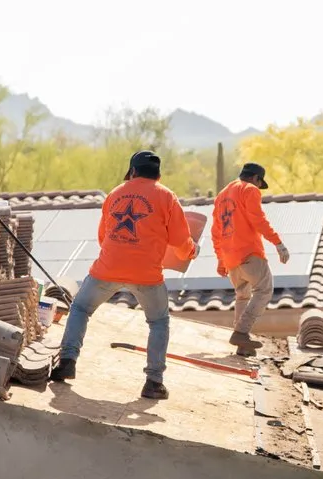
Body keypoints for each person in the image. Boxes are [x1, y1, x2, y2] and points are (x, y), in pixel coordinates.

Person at [51, 150, 198, 400]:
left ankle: (67, 361)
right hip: (147, 274)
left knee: (80, 308)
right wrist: (192, 251)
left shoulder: (115, 194)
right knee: (158, 322)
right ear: (158, 175)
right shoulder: (166, 197)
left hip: (107, 268)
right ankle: (154, 382)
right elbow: (181, 242)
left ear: (132, 171)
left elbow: (103, 237)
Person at [211, 163, 289, 355]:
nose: (258, 187)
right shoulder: (250, 189)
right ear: (256, 178)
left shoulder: (222, 194)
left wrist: (221, 259)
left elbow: (216, 231)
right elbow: (258, 219)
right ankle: (241, 332)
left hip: (231, 258)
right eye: (259, 183)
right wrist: (278, 243)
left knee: (242, 296)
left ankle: (243, 347)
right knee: (264, 290)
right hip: (249, 253)